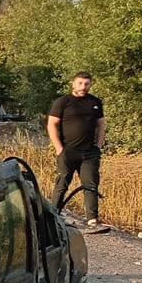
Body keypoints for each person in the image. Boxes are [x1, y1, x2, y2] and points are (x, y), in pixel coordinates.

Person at [47, 72, 107, 232]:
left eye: (86, 84)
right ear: (73, 84)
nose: (83, 87)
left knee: (91, 185)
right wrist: (59, 148)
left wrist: (98, 146)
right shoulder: (63, 102)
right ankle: (53, 216)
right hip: (68, 151)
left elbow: (101, 124)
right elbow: (51, 124)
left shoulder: (95, 102)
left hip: (89, 153)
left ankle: (93, 221)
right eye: (80, 83)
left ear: (90, 84)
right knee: (62, 183)